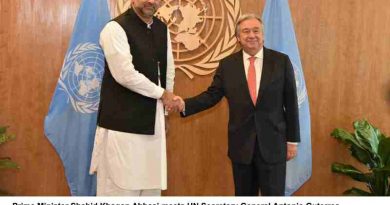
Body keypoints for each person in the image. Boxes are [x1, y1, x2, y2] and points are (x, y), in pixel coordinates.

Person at [172, 14, 300, 196]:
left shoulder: (281, 61)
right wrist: (185, 104)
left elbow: (291, 103)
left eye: (256, 31)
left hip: (273, 145)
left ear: (263, 35)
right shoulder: (227, 65)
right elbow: (212, 95)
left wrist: (292, 141)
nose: (251, 35)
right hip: (242, 147)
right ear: (238, 38)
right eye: (245, 31)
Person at [89, 0, 177, 196]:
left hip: (153, 124)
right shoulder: (114, 28)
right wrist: (163, 95)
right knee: (121, 190)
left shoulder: (162, 28)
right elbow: (124, 74)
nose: (151, 2)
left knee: (151, 191)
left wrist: (165, 110)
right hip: (122, 127)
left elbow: (168, 70)